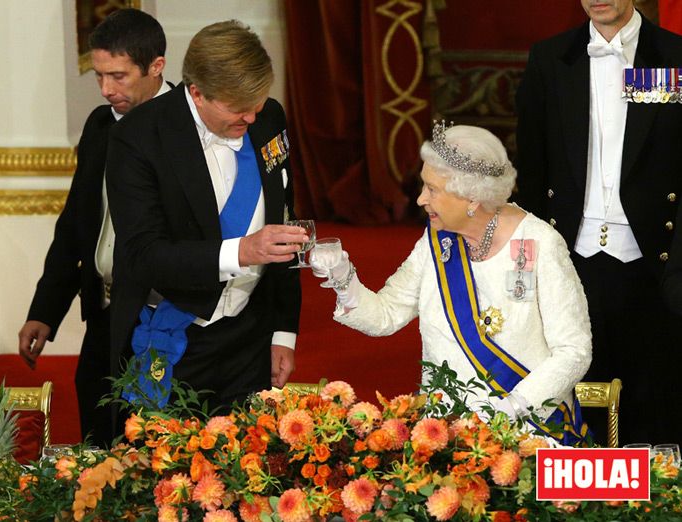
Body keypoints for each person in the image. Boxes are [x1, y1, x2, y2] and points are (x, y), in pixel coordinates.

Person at [311, 124, 592, 444]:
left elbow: (573, 351)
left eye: (432, 189)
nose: (419, 199)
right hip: (444, 437)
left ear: (471, 197)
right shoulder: (435, 241)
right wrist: (343, 278)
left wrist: (509, 411)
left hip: (527, 433)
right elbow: (385, 315)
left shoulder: (539, 242)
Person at [105, 20, 306, 412]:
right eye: (237, 109)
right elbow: (143, 254)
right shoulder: (136, 138)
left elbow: (285, 219)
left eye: (258, 104)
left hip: (250, 332)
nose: (251, 118)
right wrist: (242, 251)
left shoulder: (269, 118)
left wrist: (284, 331)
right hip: (174, 334)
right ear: (196, 92)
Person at [515, 0, 682, 445]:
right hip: (572, 258)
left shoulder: (673, 56)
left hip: (655, 263)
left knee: (653, 403)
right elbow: (532, 169)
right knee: (576, 405)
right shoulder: (550, 57)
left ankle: (655, 507)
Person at [17, 9, 169, 448]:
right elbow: (76, 225)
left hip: (166, 320)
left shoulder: (188, 128)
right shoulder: (99, 125)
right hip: (103, 316)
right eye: (99, 76)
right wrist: (45, 309)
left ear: (156, 66)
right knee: (98, 450)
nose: (106, 90)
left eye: (118, 76)